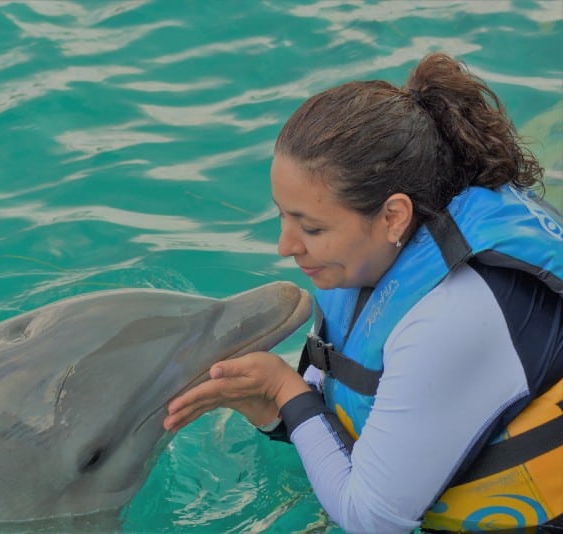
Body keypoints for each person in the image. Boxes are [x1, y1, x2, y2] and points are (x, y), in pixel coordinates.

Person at [163, 52, 563, 533]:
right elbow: (362, 398)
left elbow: (373, 519)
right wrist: (279, 411)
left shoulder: (453, 316)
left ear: (394, 216)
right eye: (283, 215)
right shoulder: (380, 258)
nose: (285, 246)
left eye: (311, 227)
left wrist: (283, 388)